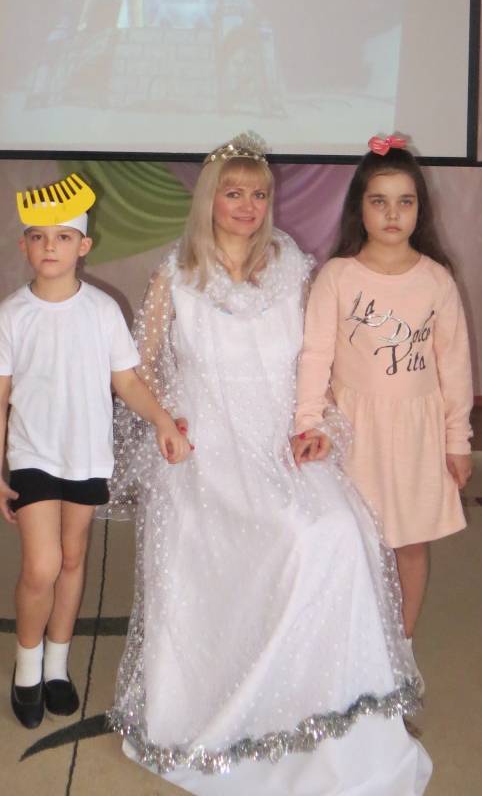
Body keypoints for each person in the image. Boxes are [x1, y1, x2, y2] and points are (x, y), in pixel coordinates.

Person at [109, 135, 431, 794]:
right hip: (208, 449)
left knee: (335, 531)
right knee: (287, 538)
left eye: (259, 194)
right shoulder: (175, 275)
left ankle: (331, 705)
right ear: (209, 199)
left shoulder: (294, 267)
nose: (248, 205)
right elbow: (134, 370)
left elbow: (326, 357)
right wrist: (164, 422)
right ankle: (240, 702)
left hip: (283, 439)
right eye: (233, 193)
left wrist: (320, 426)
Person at [0, 174, 191, 730]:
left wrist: (162, 420)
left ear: (83, 245)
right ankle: (27, 667)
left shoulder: (102, 310)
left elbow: (127, 381)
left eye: (63, 237)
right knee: (42, 566)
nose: (50, 247)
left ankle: (56, 664)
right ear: (24, 245)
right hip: (32, 457)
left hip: (88, 458)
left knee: (72, 561)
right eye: (38, 237)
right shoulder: (12, 315)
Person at [292, 136, 474, 642]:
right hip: (355, 431)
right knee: (358, 538)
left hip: (417, 433)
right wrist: (308, 423)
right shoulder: (337, 276)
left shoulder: (437, 280)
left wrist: (457, 440)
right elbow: (315, 356)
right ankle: (360, 644)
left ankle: (402, 643)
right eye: (379, 201)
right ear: (360, 208)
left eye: (405, 202)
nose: (393, 214)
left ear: (420, 209)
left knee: (410, 543)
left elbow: (454, 365)